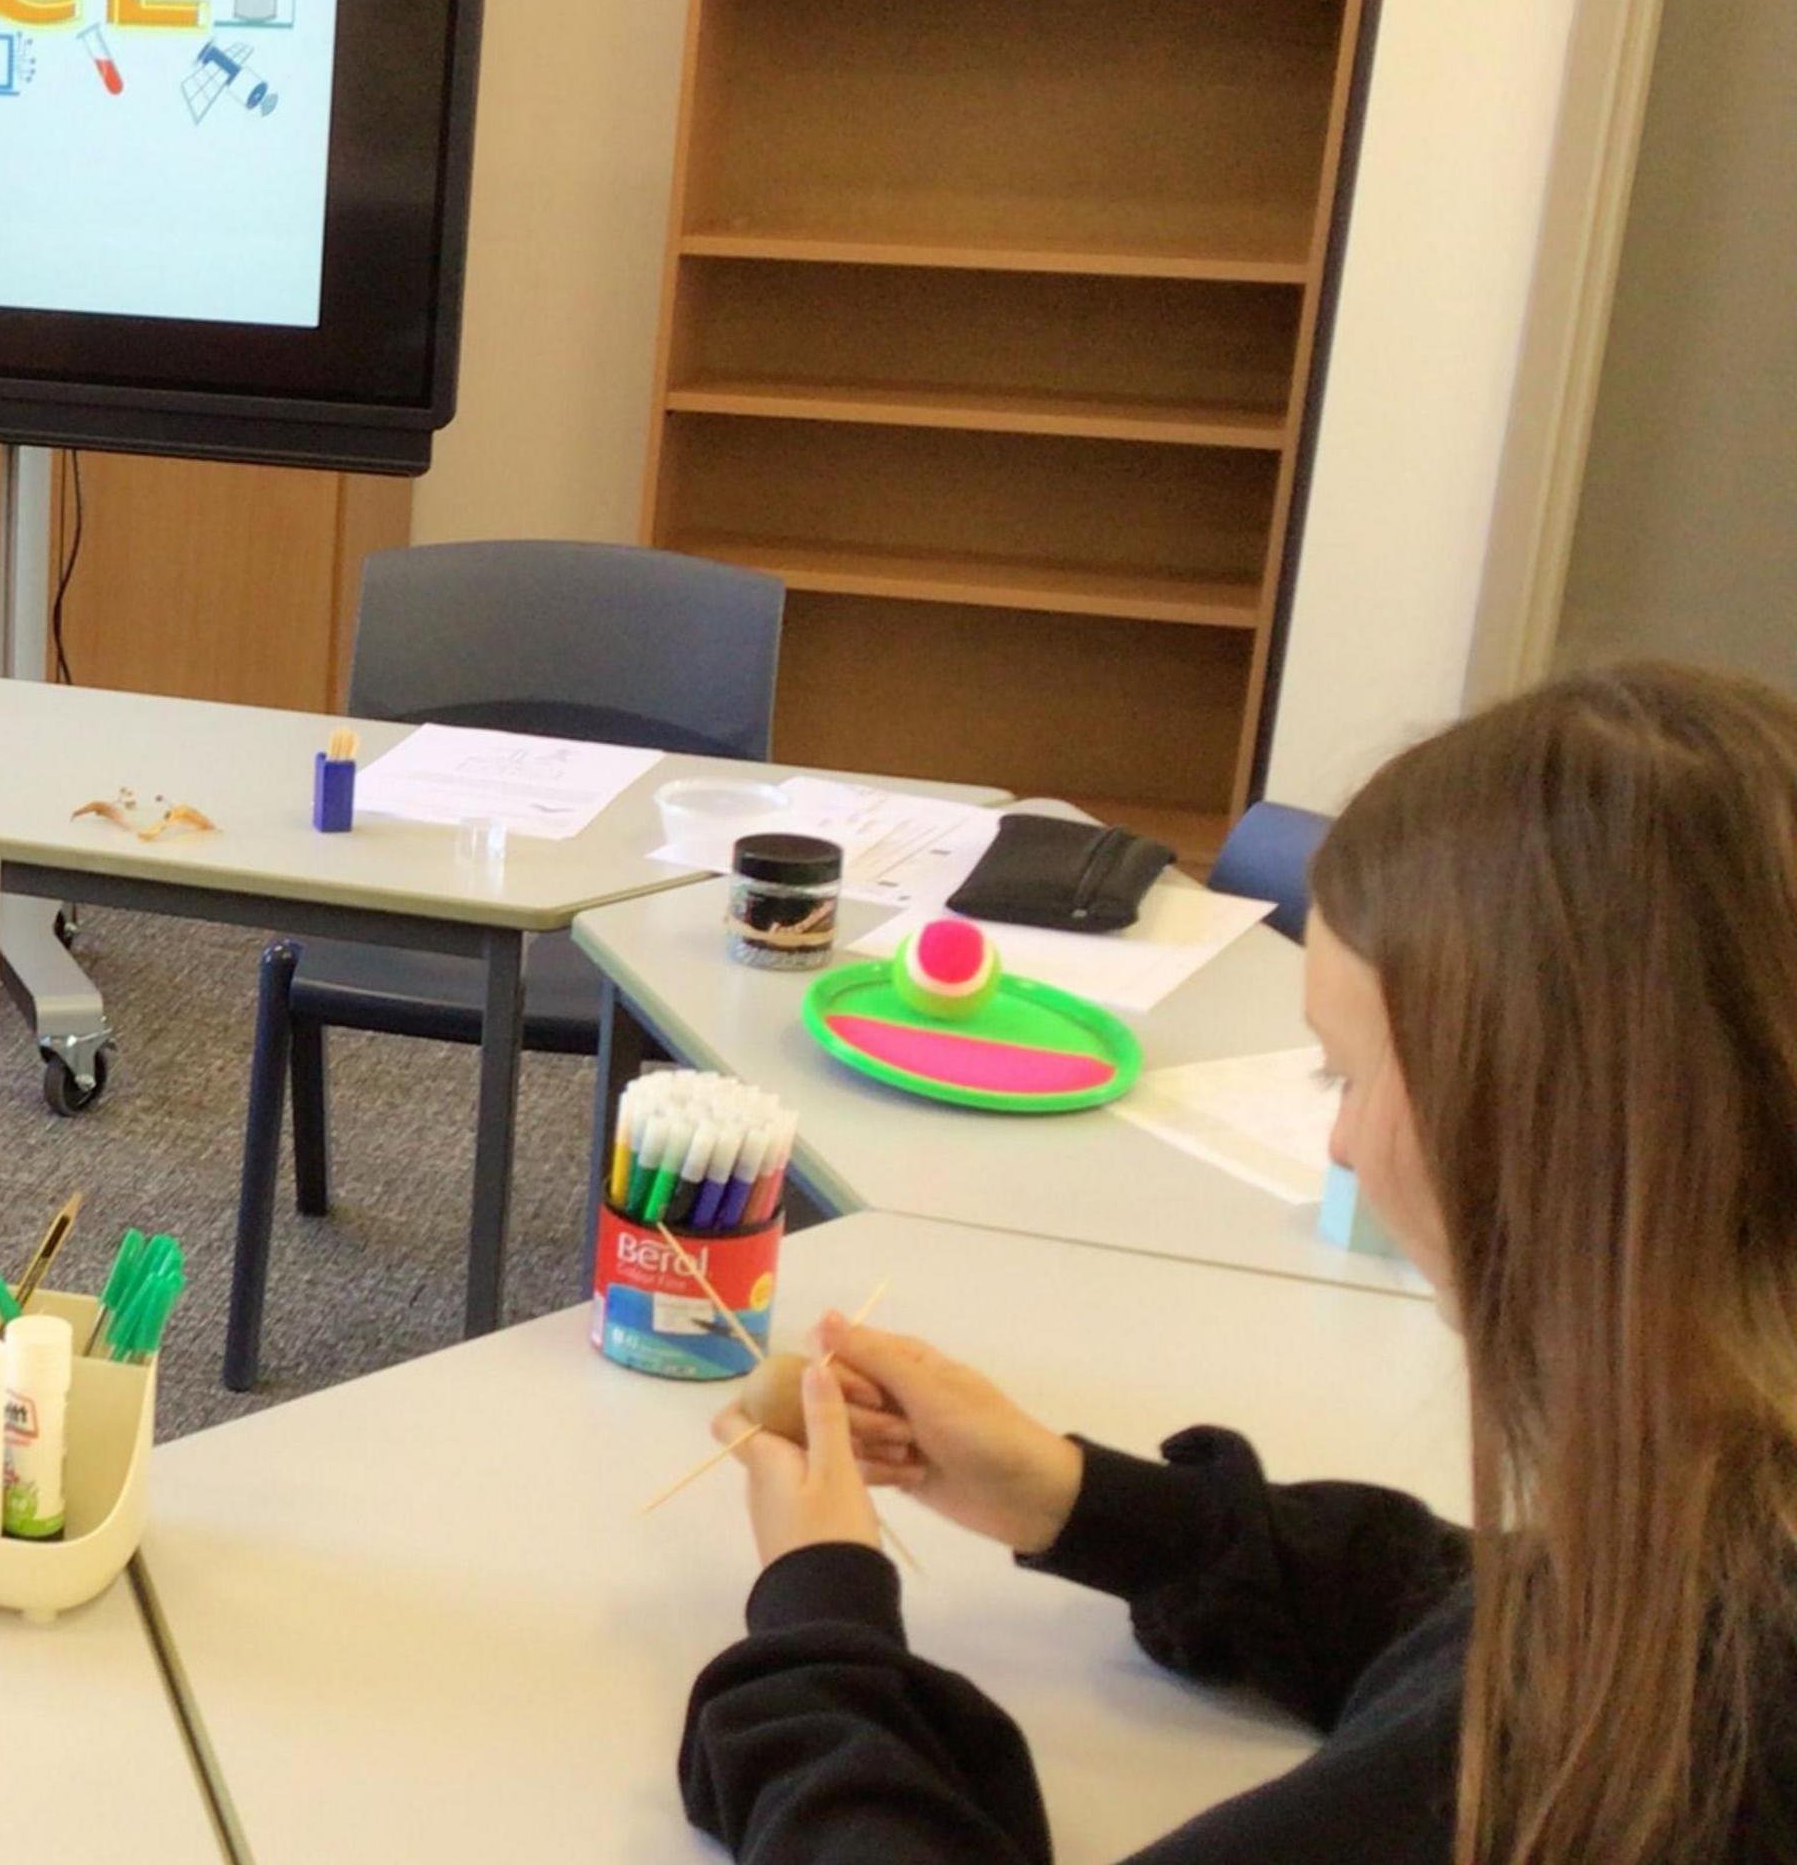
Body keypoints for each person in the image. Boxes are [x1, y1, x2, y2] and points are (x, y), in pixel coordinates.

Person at [680, 661, 1797, 1865]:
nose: (1342, 1143)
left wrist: (816, 1616)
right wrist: (1080, 1499)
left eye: (1353, 1076)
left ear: (1534, 1128)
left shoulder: (1639, 1743)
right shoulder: (1717, 1551)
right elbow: (1466, 1606)